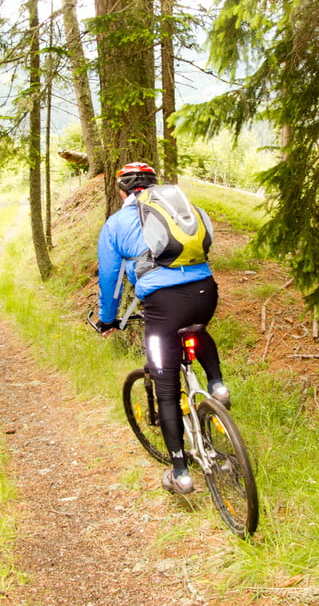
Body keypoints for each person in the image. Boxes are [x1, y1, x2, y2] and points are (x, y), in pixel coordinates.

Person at [96, 162, 228, 495]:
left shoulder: (116, 224)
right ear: (154, 185)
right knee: (196, 328)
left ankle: (181, 474)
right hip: (206, 291)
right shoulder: (181, 209)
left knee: (165, 384)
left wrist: (108, 319)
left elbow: (110, 281)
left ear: (122, 191)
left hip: (164, 305)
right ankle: (217, 385)